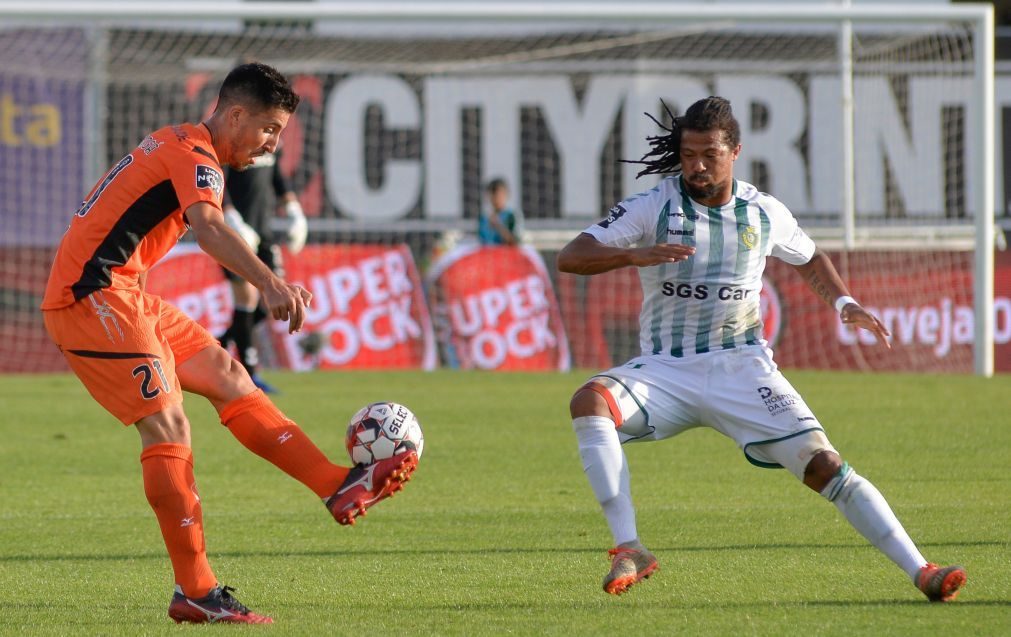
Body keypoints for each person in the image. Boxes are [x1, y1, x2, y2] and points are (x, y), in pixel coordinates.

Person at [40, 62, 418, 624]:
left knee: (231, 377)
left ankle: (336, 485)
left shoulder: (183, 145)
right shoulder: (196, 155)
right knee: (168, 427)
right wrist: (270, 282)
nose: (272, 145)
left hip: (125, 294)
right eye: (268, 129)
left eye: (280, 134)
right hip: (91, 297)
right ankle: (195, 590)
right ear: (234, 114)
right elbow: (211, 228)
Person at [556, 96, 966, 602]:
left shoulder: (763, 212)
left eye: (709, 154)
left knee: (825, 466)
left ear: (735, 152)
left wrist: (845, 303)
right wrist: (631, 254)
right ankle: (631, 547)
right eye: (688, 155)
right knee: (590, 401)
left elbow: (810, 257)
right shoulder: (653, 206)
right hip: (665, 369)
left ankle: (922, 570)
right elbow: (572, 256)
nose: (697, 166)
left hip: (742, 369)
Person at [219, 145, 307, 394]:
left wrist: (293, 209)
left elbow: (278, 177)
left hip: (264, 232)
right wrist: (231, 217)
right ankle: (250, 374)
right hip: (235, 234)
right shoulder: (233, 143)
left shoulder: (270, 142)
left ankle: (221, 343)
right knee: (246, 297)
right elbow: (218, 182)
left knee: (277, 298)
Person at [477, 177, 522, 246]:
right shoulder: (484, 218)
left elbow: (516, 242)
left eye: (499, 194)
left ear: (506, 194)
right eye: (493, 194)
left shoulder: (512, 216)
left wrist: (498, 226)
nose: (496, 197)